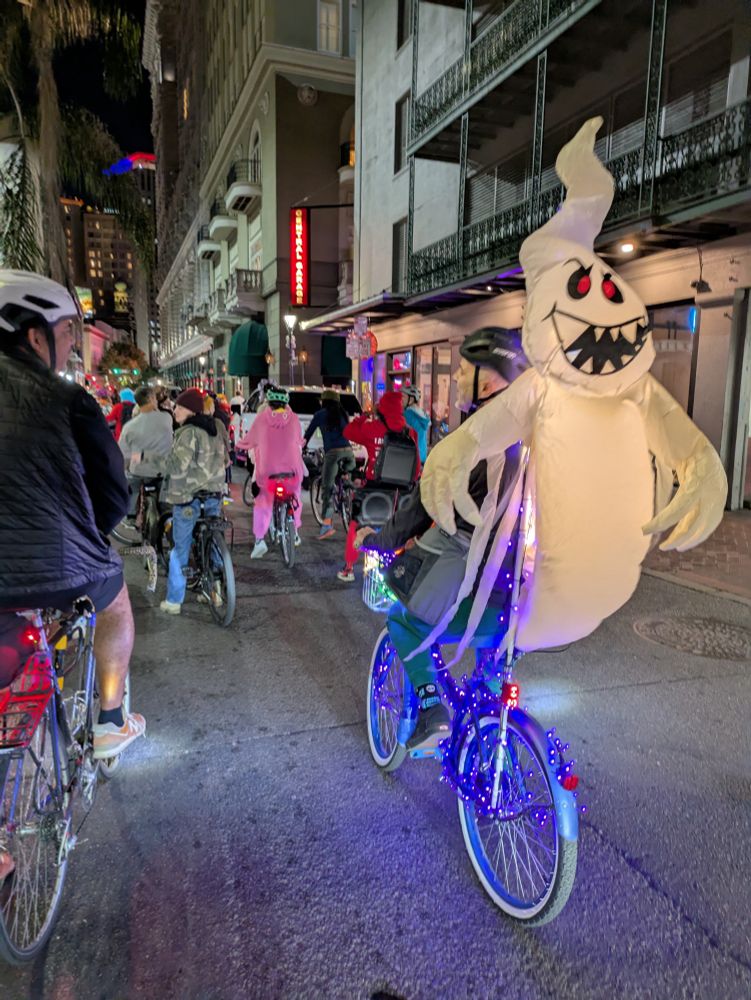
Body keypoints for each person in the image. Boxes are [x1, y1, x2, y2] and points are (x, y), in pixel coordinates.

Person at [356, 328, 528, 750]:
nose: (455, 383)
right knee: (492, 667)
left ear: (486, 383)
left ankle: (433, 712)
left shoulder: (473, 440)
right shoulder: (533, 442)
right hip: (524, 603)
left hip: (471, 586)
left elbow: (421, 507)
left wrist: (378, 540)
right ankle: (486, 736)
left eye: (464, 372)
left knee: (404, 620)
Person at [0, 270, 145, 759]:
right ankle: (109, 719)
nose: (73, 348)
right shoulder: (66, 399)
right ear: (34, 335)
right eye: (66, 334)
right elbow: (113, 490)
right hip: (59, 564)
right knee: (116, 602)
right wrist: (91, 535)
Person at [337, 389, 421, 583]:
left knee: (355, 524)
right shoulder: (411, 432)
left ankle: (349, 568)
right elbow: (416, 468)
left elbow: (347, 432)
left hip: (374, 492)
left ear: (381, 410)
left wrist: (362, 418)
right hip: (401, 495)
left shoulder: (371, 428)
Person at [156, 388, 227, 614]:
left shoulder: (187, 432)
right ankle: (216, 591)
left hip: (188, 497)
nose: (174, 410)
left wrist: (158, 461)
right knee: (214, 542)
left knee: (180, 548)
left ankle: (174, 600)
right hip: (214, 494)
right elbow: (226, 460)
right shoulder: (217, 427)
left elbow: (179, 465)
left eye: (177, 406)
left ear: (189, 410)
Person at [237, 385, 306, 558]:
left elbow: (249, 441)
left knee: (263, 503)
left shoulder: (261, 419)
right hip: (292, 471)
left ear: (269, 402)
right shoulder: (295, 419)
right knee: (295, 496)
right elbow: (299, 440)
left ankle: (260, 541)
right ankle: (295, 531)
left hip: (268, 472)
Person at [303, 389, 355, 540]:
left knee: (327, 488)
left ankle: (327, 525)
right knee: (345, 477)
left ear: (324, 401)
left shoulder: (320, 415)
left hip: (333, 454)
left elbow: (308, 433)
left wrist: (302, 446)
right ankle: (347, 495)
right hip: (349, 452)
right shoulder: (343, 414)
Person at [118, 386, 174, 515]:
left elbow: (125, 454)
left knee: (132, 487)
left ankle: (131, 515)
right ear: (151, 399)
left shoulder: (129, 427)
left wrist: (132, 462)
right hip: (163, 470)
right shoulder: (166, 419)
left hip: (139, 470)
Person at [401, 385, 431, 464]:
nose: (401, 399)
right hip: (422, 457)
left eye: (403, 397)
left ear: (410, 400)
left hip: (410, 458)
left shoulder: (407, 414)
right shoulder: (422, 414)